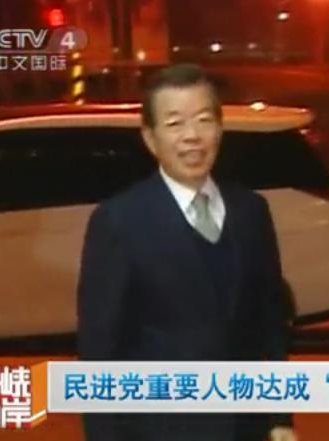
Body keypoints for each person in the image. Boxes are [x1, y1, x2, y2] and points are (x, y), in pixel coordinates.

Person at [77, 64, 296, 441]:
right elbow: (99, 352)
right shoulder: (119, 221)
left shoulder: (251, 211)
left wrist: (280, 418)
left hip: (247, 428)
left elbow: (270, 324)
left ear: (220, 128)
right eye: (175, 123)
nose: (192, 136)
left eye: (204, 120)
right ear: (150, 138)